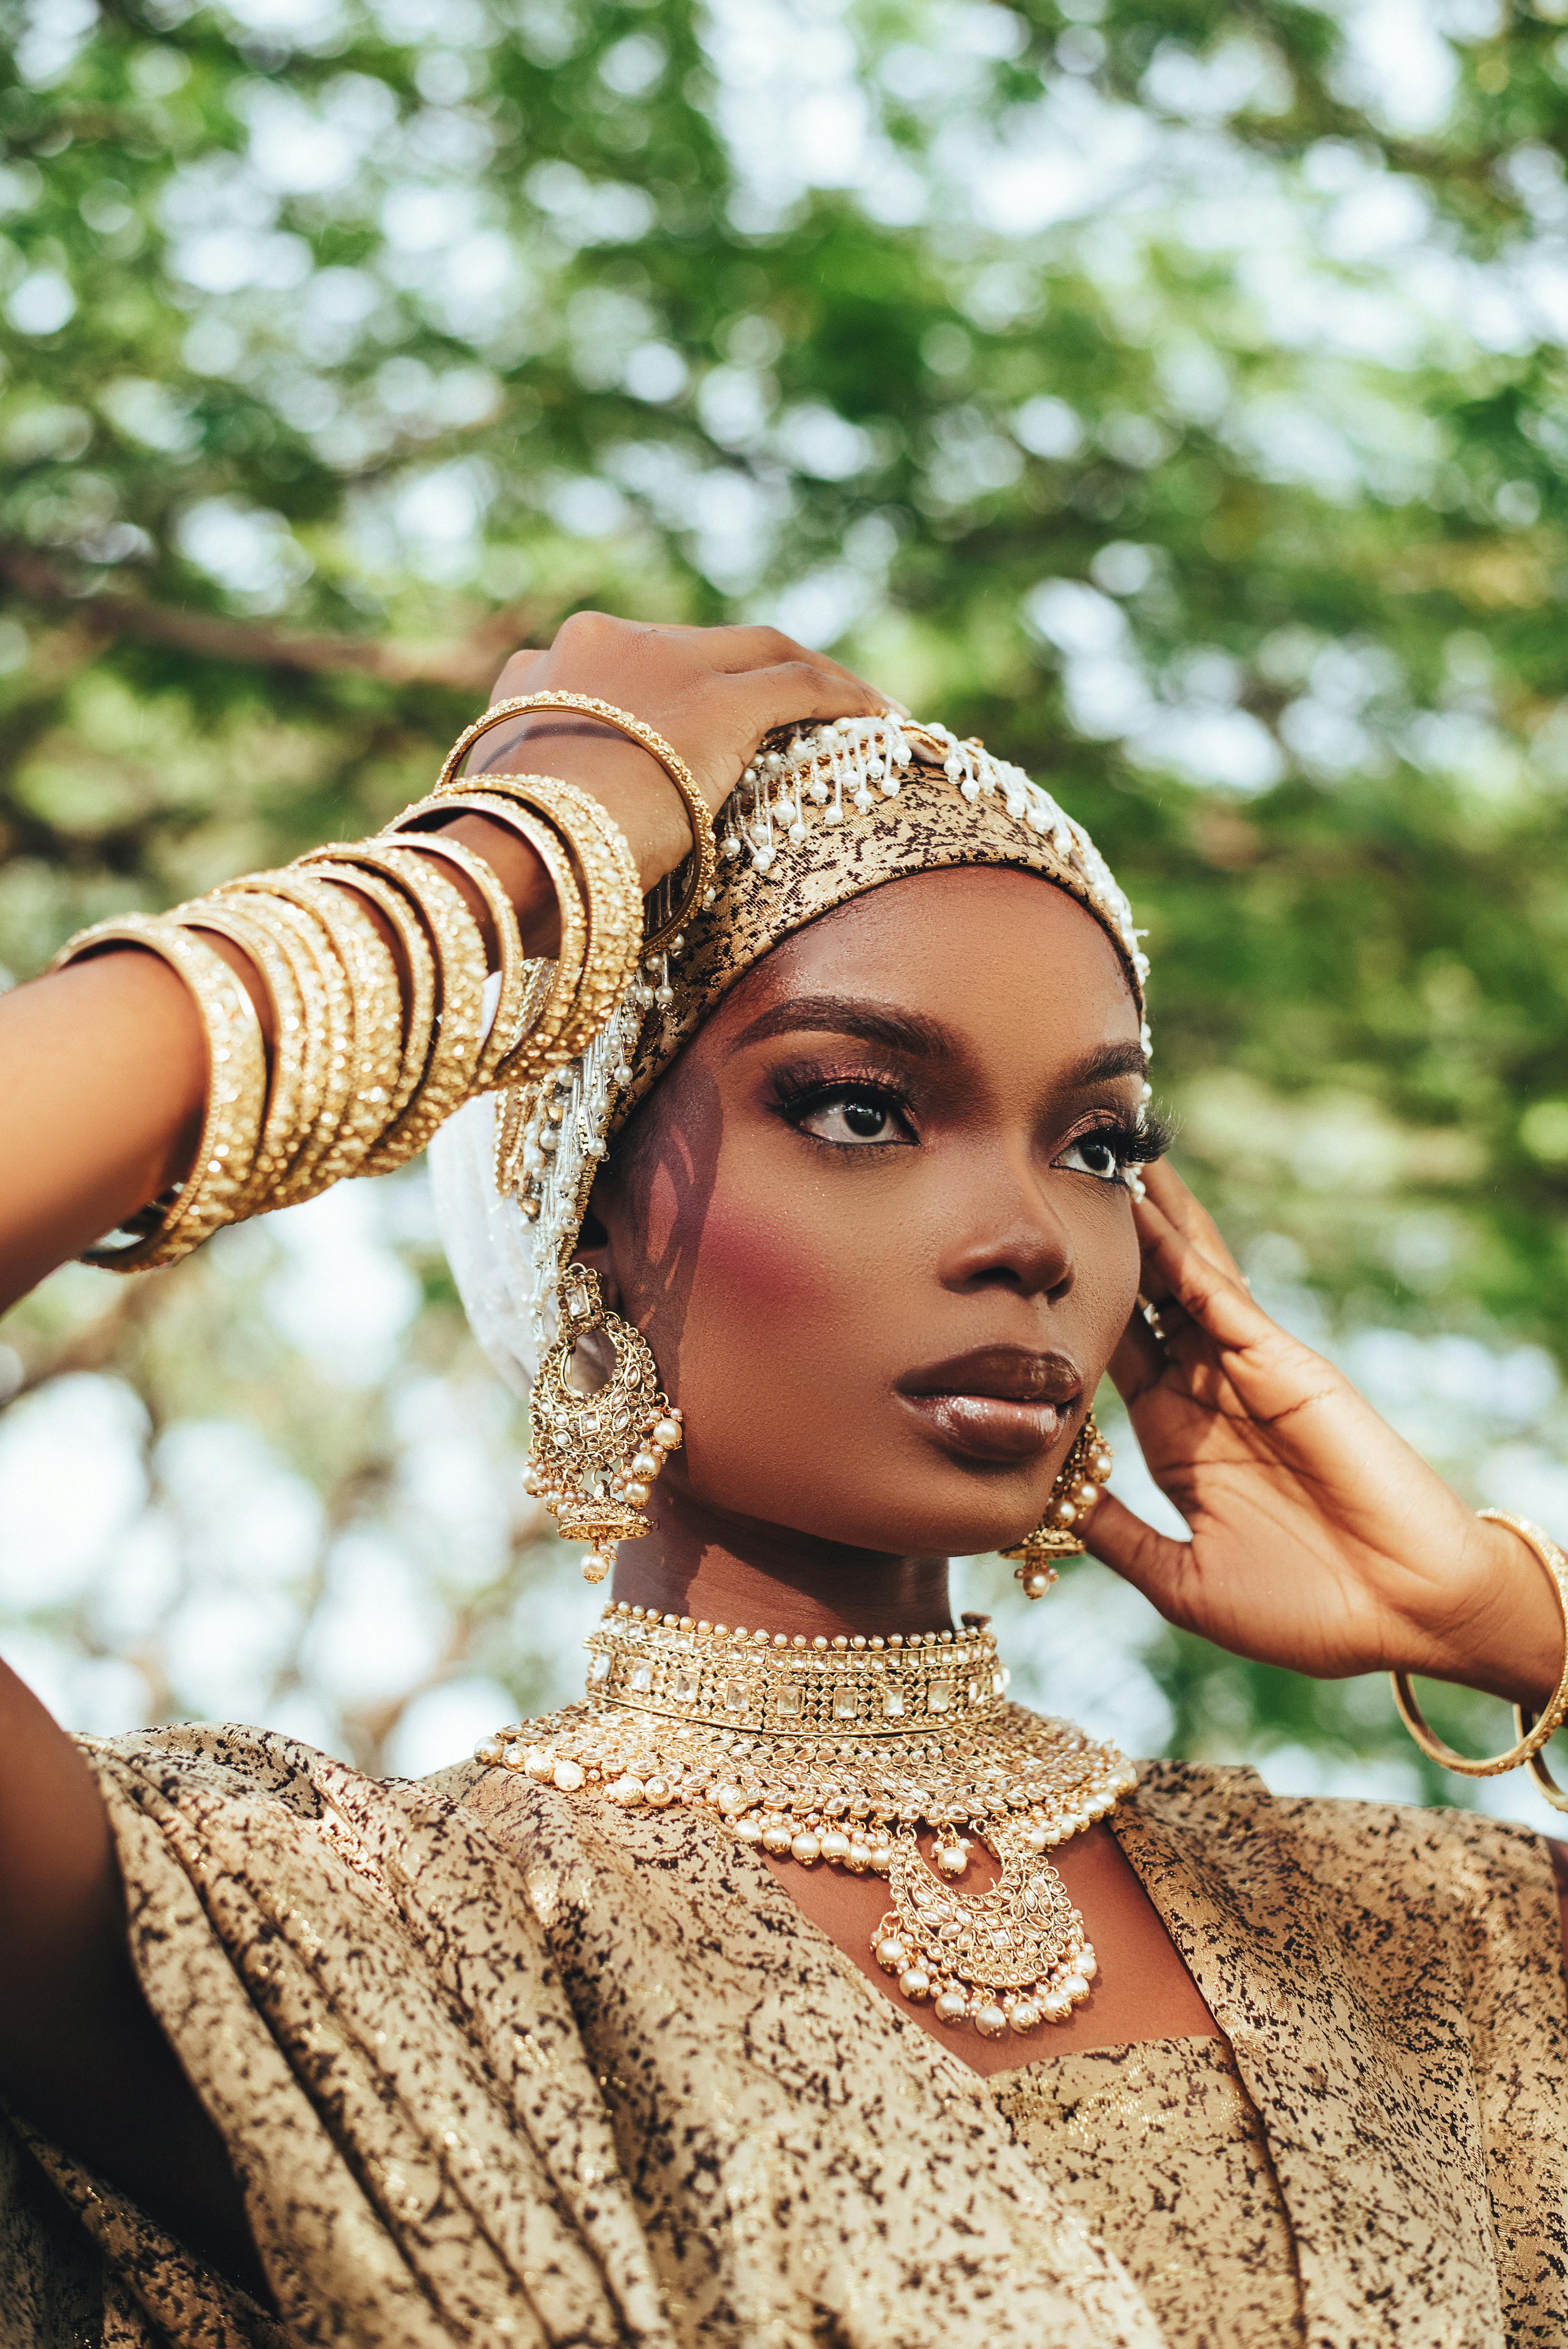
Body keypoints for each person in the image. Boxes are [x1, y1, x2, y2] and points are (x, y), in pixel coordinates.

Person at [1, 614, 1564, 2349]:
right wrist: (504, 871)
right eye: (859, 1107)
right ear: (577, 1202)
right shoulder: (337, 1937)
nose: (1029, 1238)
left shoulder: (1424, 1937)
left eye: (1098, 1142)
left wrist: (1510, 1626)